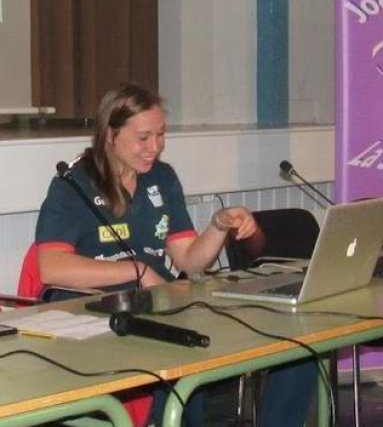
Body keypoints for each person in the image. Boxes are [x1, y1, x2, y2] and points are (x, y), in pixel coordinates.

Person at [35, 82, 317, 427]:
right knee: (184, 375)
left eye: (161, 134)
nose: (154, 147)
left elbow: (188, 261)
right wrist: (136, 270)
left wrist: (218, 225)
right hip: (101, 318)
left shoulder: (162, 178)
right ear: (110, 134)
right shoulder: (73, 184)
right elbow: (51, 267)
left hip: (164, 307)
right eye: (143, 138)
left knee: (299, 345)